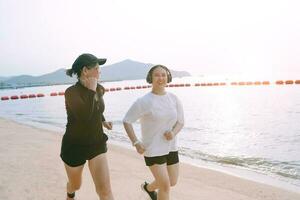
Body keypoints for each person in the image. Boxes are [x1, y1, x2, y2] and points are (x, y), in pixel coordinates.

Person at [123, 65, 184, 200]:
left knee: (172, 181)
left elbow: (181, 122)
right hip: (153, 149)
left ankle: (148, 188)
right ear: (151, 78)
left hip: (171, 147)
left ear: (168, 77)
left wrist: (173, 133)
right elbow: (127, 121)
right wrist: (136, 142)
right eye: (157, 75)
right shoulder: (144, 101)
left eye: (163, 75)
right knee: (165, 186)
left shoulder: (174, 98)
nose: (161, 78)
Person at [60, 53, 115, 200]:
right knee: (75, 185)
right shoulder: (71, 92)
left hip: (96, 142)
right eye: (97, 68)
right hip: (74, 146)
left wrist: (103, 121)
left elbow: (96, 109)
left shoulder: (99, 89)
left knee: (105, 190)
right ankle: (70, 193)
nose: (99, 72)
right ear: (85, 70)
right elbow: (83, 116)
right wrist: (91, 90)